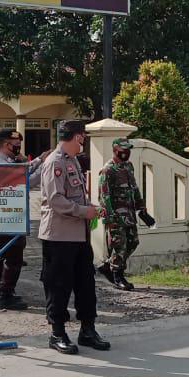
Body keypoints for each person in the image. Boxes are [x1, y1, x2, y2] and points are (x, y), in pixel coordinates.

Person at [38, 120, 109, 354]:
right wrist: (83, 212)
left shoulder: (73, 160)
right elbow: (56, 200)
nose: (83, 141)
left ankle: (88, 330)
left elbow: (77, 196)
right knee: (58, 286)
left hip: (79, 235)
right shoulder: (54, 162)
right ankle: (57, 333)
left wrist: (91, 208)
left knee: (86, 284)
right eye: (83, 137)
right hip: (59, 236)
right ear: (77, 137)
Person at [0, 129, 43, 310]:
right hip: (7, 217)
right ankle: (5, 295)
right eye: (14, 145)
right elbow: (25, 182)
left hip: (7, 215)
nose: (17, 148)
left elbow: (22, 171)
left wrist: (39, 160)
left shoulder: (6, 161)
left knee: (1, 255)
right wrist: (44, 167)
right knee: (13, 257)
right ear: (4, 144)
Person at [96, 137, 154, 291]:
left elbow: (134, 188)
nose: (126, 152)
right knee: (119, 246)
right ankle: (118, 276)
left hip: (129, 213)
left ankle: (108, 266)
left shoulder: (128, 166)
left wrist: (141, 206)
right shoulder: (108, 170)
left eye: (128, 149)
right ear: (115, 150)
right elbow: (104, 196)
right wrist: (109, 218)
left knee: (133, 242)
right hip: (115, 215)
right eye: (123, 150)